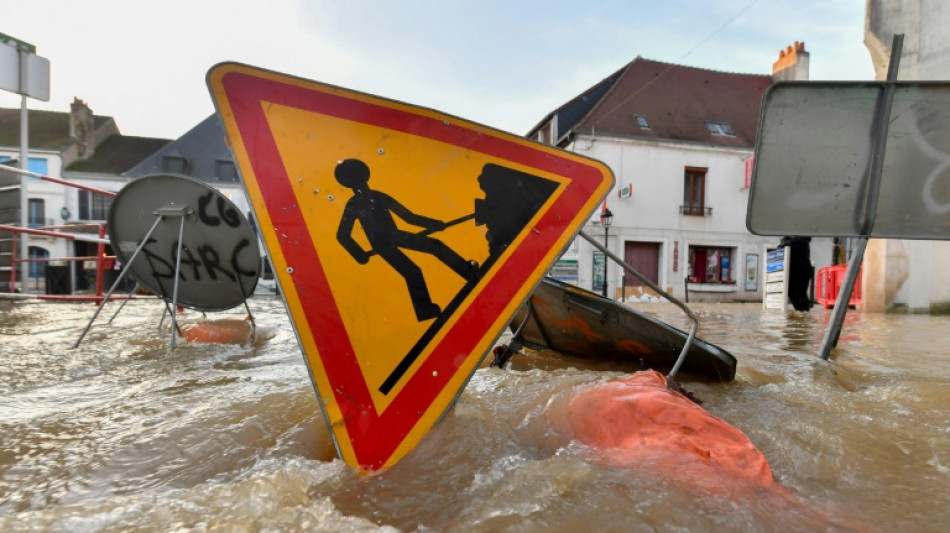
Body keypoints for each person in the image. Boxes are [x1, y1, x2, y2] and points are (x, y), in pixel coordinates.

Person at [335, 158, 474, 321]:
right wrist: (359, 254)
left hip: (396, 235)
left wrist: (433, 224)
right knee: (413, 271)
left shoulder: (378, 196)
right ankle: (424, 310)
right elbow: (342, 234)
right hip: (382, 245)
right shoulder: (355, 204)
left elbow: (408, 217)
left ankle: (468, 273)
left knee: (434, 247)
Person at [781, 236, 813, 311]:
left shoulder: (802, 241)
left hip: (800, 272)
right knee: (794, 294)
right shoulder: (799, 241)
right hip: (796, 272)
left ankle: (803, 313)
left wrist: (786, 242)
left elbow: (787, 245)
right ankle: (802, 313)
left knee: (800, 294)